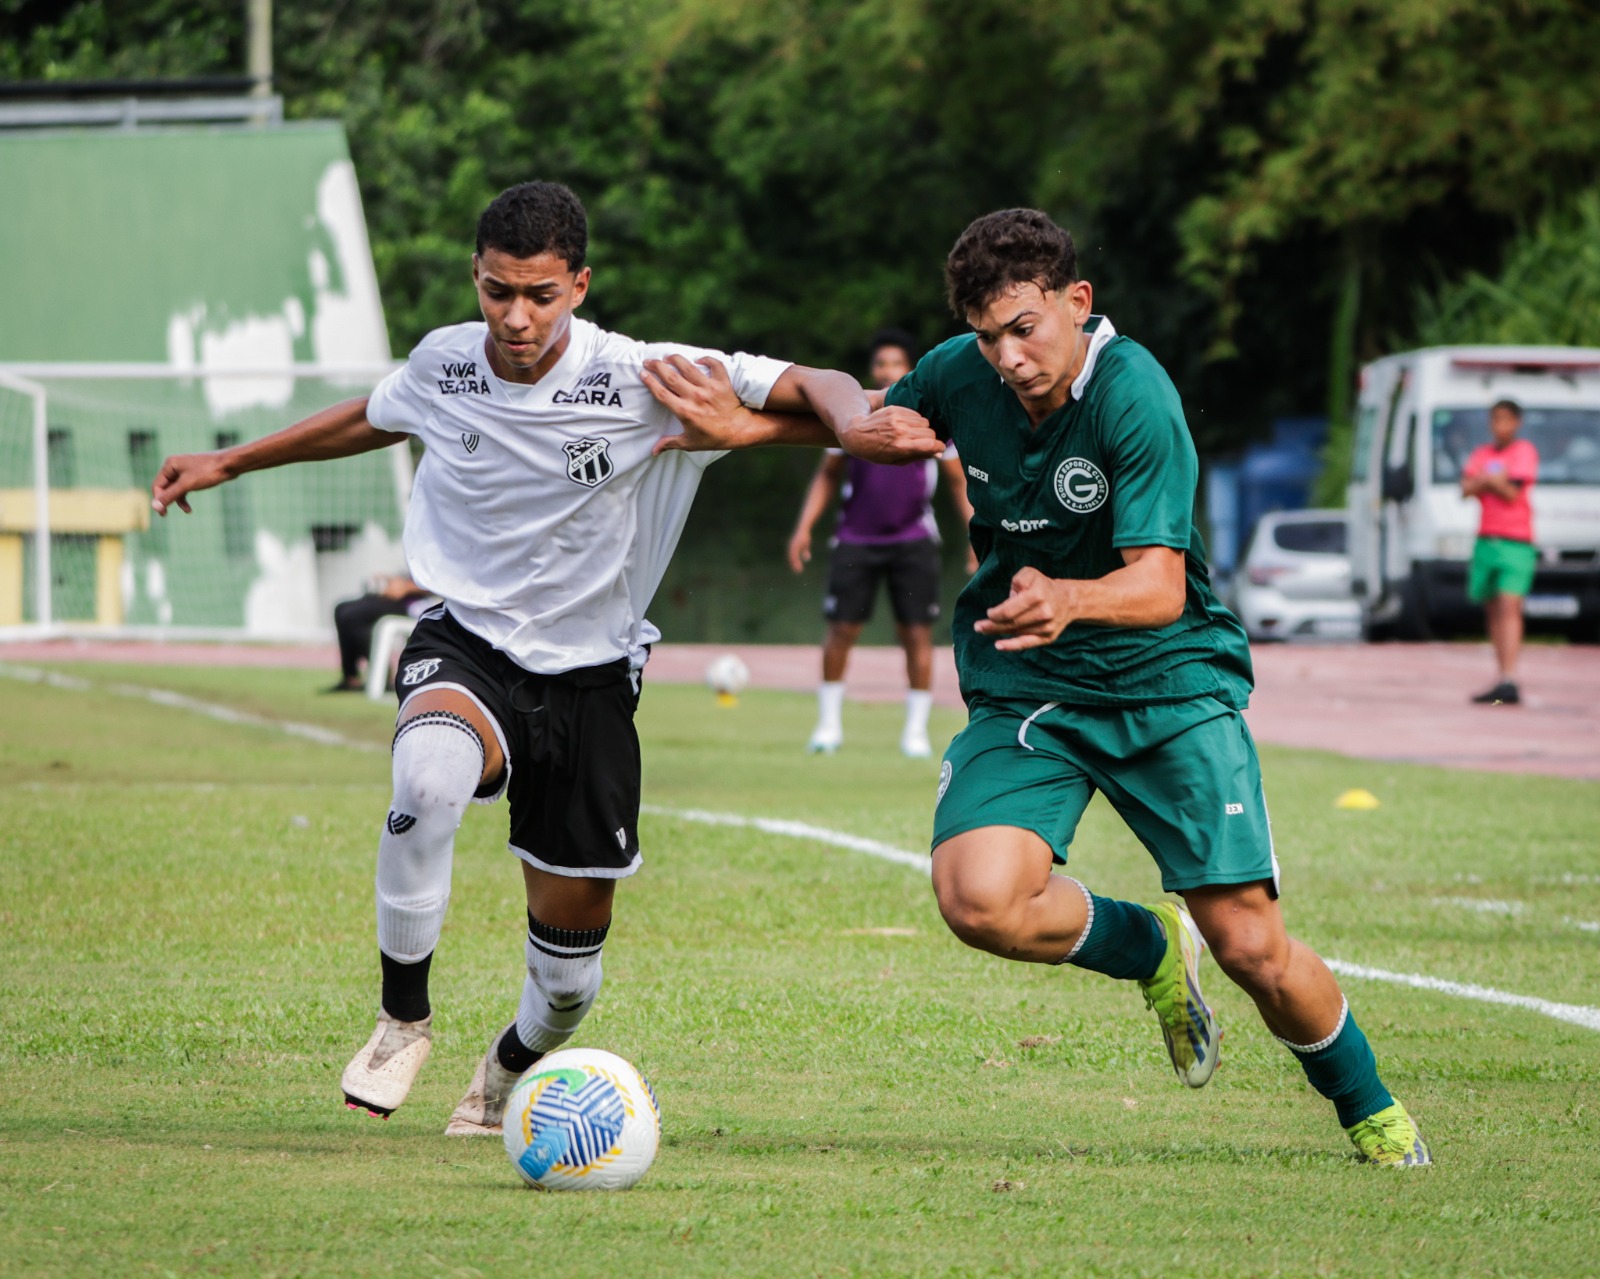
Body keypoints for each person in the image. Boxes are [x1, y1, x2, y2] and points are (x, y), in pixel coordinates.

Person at [149, 180, 940, 1134]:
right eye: (496, 291)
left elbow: (819, 385)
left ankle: (505, 1064)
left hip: (593, 675)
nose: (515, 317)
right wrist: (229, 462)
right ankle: (403, 1019)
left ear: (580, 285)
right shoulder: (444, 361)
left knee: (567, 982)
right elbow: (375, 414)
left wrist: (844, 426)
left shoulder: (645, 374)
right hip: (466, 640)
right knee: (427, 777)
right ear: (476, 279)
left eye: (541, 295)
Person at [787, 329, 976, 757]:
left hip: (913, 540)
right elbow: (827, 476)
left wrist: (974, 534)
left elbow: (958, 482)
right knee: (842, 630)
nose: (887, 370)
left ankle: (915, 732)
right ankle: (828, 725)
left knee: (916, 634)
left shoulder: (931, 419)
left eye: (895, 364)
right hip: (856, 539)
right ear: (872, 370)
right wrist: (803, 527)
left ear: (909, 370)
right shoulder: (852, 412)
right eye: (881, 364)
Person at [1462, 400, 1538, 705]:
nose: (1499, 426)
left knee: (1510, 605)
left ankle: (1511, 676)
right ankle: (1501, 676)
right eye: (1495, 419)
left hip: (1516, 540)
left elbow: (1512, 491)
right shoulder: (1483, 453)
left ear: (1517, 422)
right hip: (1486, 538)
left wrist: (1486, 482)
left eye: (1506, 419)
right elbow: (1466, 488)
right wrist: (1490, 481)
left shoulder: (1523, 452)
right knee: (1492, 608)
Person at [327, 574, 435, 693]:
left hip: (415, 605)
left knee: (352, 615)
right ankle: (351, 677)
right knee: (342, 608)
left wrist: (406, 587)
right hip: (399, 597)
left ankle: (383, 674)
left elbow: (440, 583)